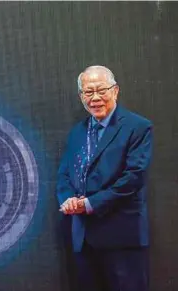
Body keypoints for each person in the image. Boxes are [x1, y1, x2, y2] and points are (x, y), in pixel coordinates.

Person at [56, 65, 153, 291]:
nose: (95, 98)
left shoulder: (137, 127)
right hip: (84, 239)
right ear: (81, 96)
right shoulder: (77, 132)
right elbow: (64, 175)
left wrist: (89, 204)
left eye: (101, 90)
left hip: (122, 239)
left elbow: (133, 178)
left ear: (115, 91)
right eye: (88, 92)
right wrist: (69, 200)